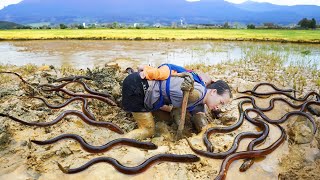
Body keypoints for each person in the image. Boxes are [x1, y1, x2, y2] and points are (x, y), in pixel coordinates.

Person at [122, 63, 232, 140]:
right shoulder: (198, 93)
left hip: (138, 83)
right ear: (213, 92)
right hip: (138, 88)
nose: (219, 107)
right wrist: (191, 92)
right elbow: (191, 94)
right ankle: (119, 142)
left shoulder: (200, 94)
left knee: (163, 116)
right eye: (221, 102)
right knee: (148, 130)